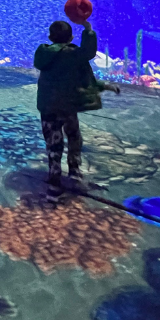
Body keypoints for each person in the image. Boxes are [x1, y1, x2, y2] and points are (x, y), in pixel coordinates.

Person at [34, 19, 119, 202]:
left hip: (48, 107)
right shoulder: (72, 54)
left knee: (53, 144)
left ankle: (54, 183)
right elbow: (88, 54)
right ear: (72, 37)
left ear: (50, 37)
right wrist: (88, 30)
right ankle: (74, 172)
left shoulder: (43, 54)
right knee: (74, 138)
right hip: (68, 106)